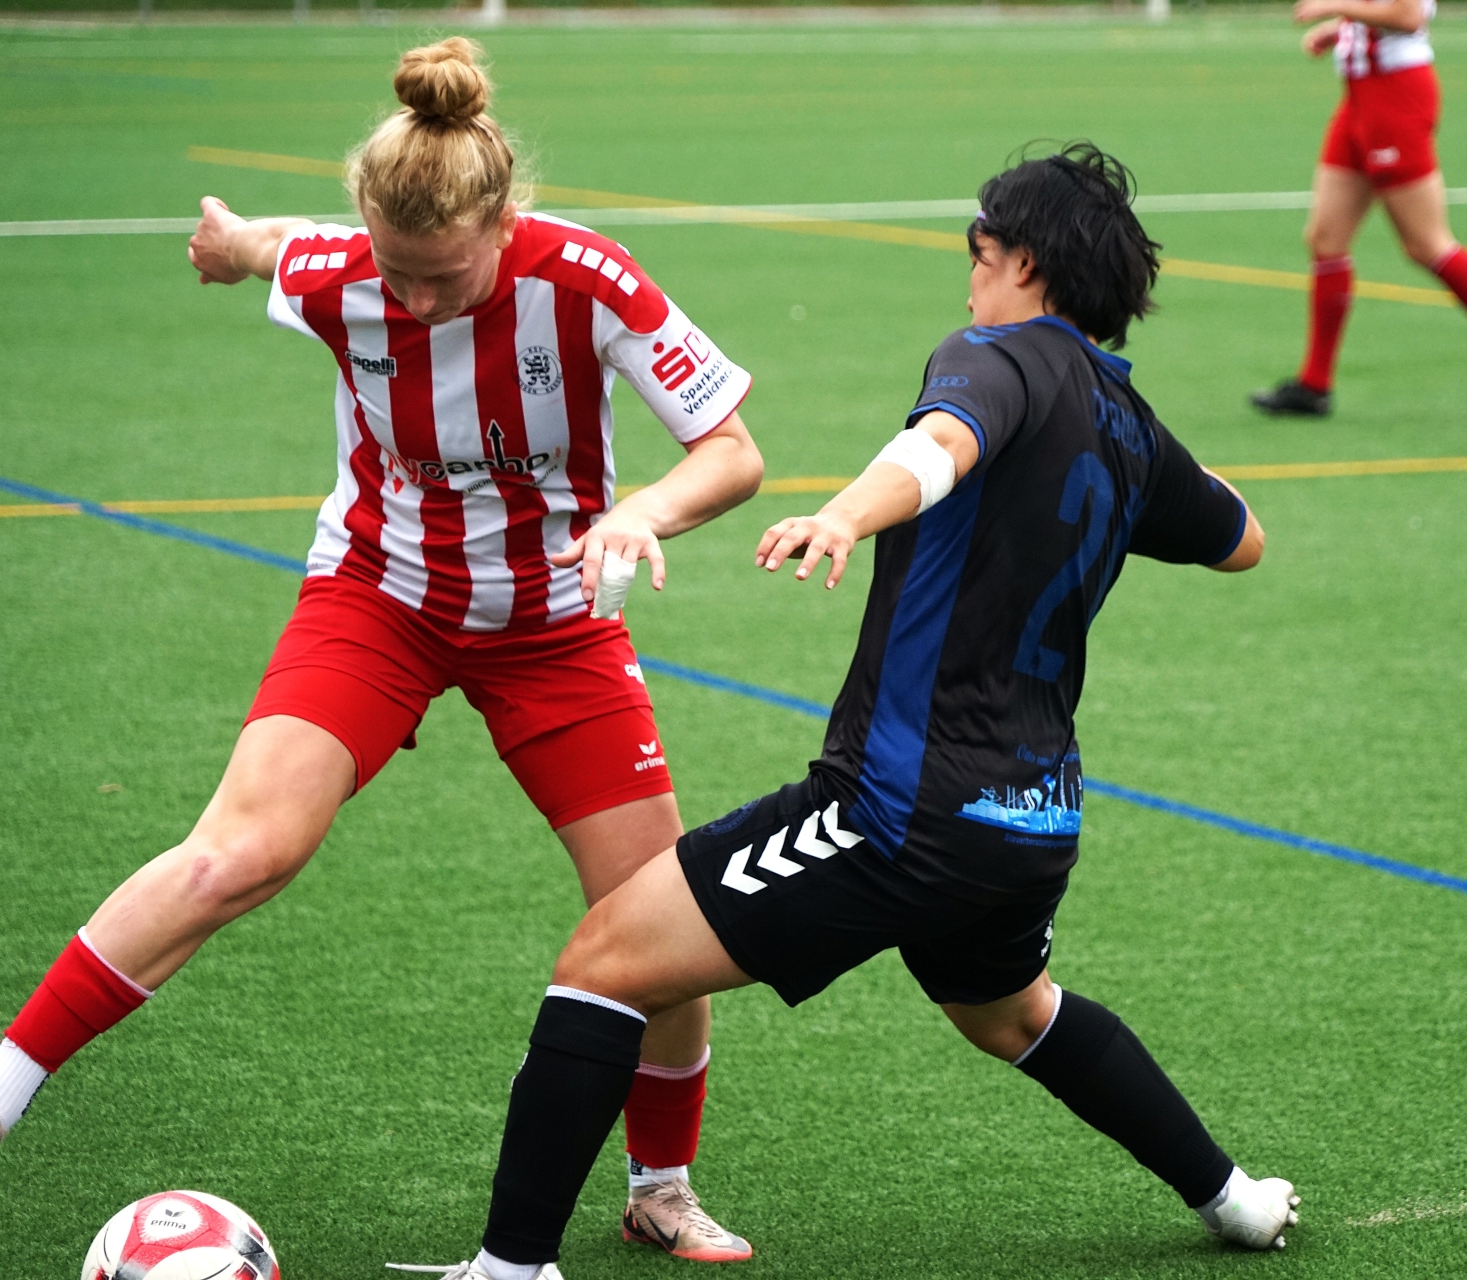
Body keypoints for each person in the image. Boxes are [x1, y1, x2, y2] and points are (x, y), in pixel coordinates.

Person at [425, 144, 1298, 1280]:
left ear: (1026, 265)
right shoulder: (1125, 420)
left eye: (979, 252)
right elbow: (1242, 539)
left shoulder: (992, 355)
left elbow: (942, 443)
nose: (969, 276)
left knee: (603, 960)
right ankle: (1234, 1199)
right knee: (1011, 1014)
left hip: (902, 808)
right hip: (1033, 820)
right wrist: (1143, 460)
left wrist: (843, 512)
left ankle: (510, 1268)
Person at [0, 37, 760, 1265]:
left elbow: (733, 450)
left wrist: (641, 514)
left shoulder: (588, 279)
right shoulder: (342, 270)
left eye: (444, 276)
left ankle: (659, 1186)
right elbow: (269, 246)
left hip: (554, 628)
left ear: (502, 223)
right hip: (378, 599)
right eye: (396, 274)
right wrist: (224, 241)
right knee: (237, 854)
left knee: (662, 919)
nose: (417, 302)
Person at [1252, 0, 1467, 424]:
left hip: (1395, 98)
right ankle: (1314, 385)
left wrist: (1336, 6)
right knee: (1326, 239)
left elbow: (1409, 15)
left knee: (1427, 244)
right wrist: (1345, 29)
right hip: (1362, 96)